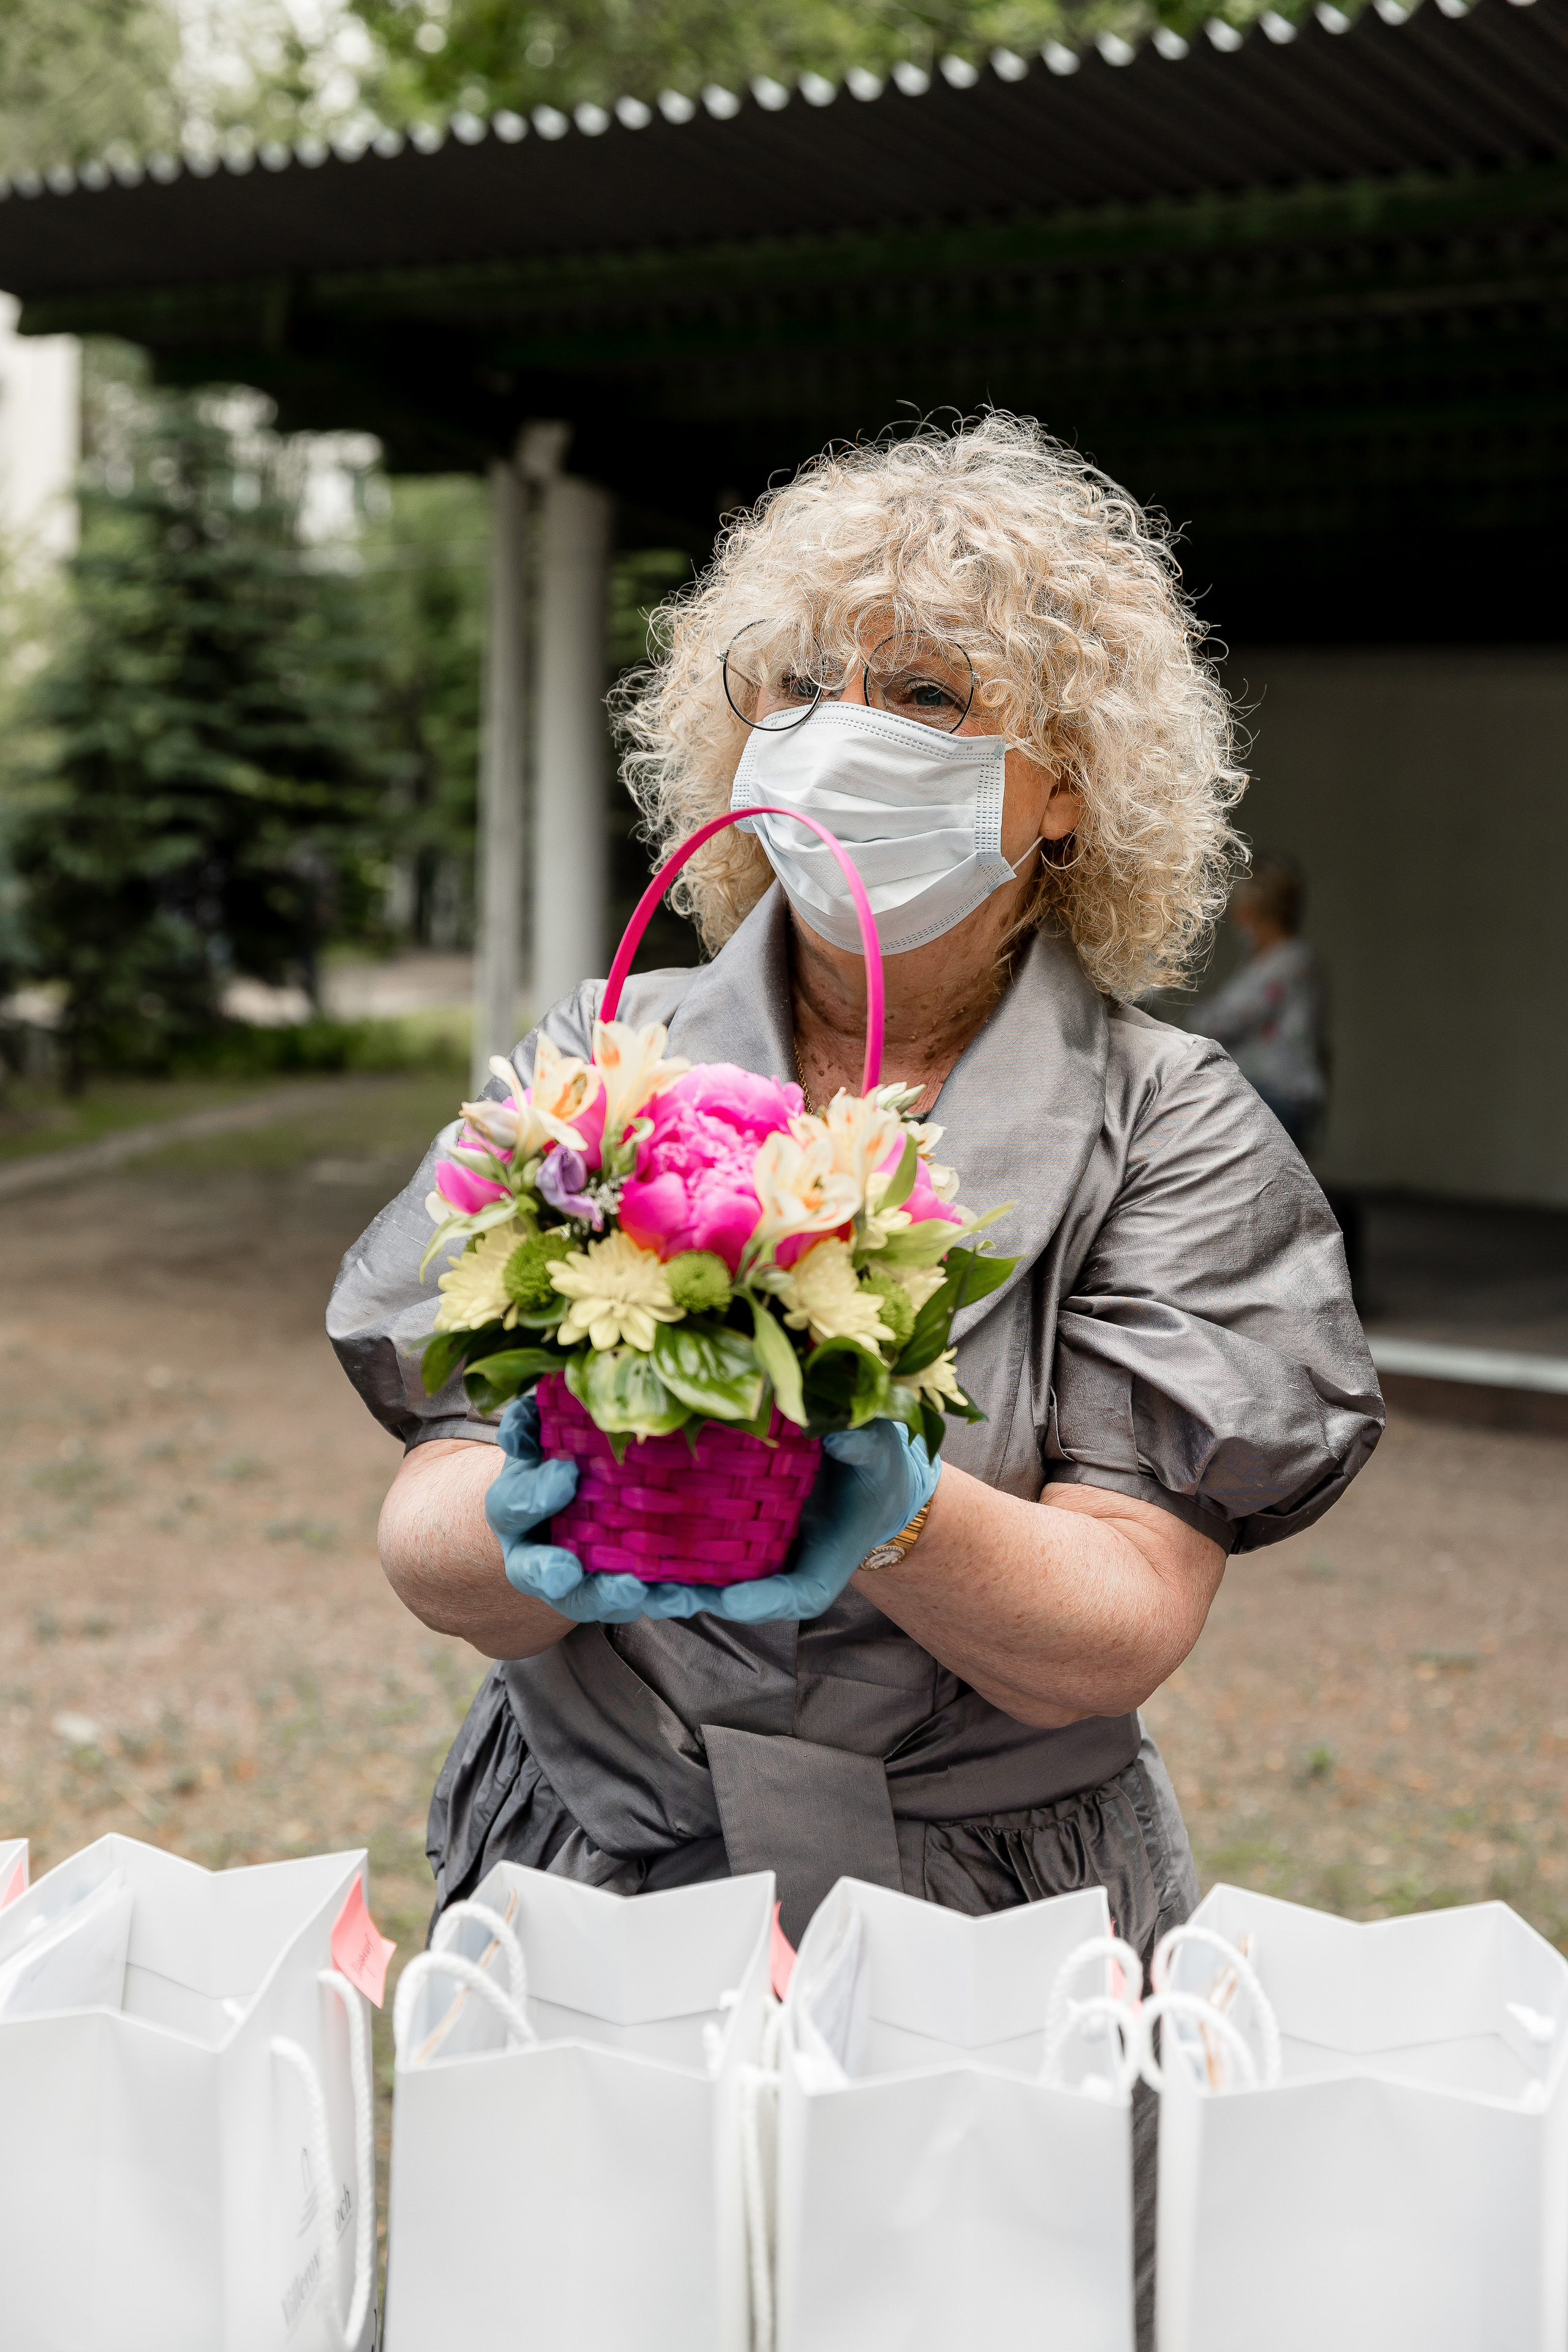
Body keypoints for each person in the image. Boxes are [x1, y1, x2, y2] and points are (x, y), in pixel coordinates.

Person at [327, 415, 1381, 2343]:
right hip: (596, 1880)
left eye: (927, 696)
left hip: (989, 1925)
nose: (840, 737)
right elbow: (427, 1522)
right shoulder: (603, 1063)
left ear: (1065, 791)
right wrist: (536, 1520)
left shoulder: (1172, 1129)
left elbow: (1116, 1624)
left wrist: (884, 1505)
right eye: (799, 688)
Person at [1191, 854, 1329, 1153]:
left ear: (1259, 912)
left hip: (1277, 1098)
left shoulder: (1288, 963)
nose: (1235, 919)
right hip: (1267, 1095)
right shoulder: (1269, 963)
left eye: (1240, 909)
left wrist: (1178, 1026)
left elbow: (1225, 1019)